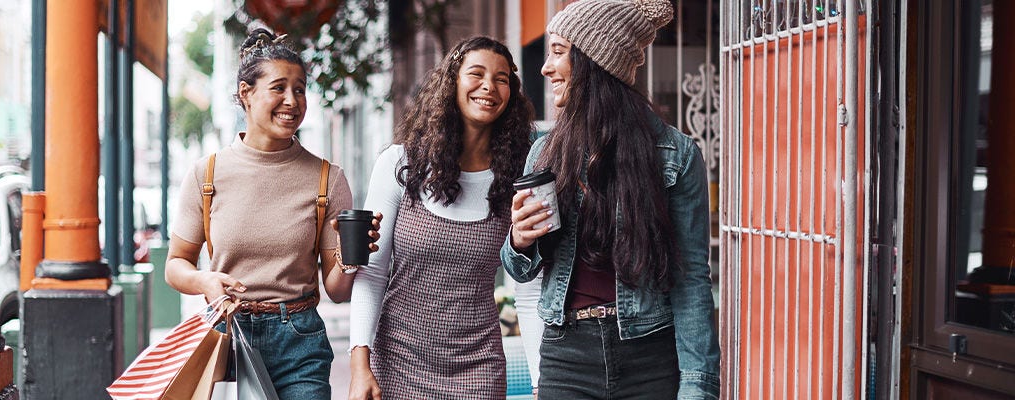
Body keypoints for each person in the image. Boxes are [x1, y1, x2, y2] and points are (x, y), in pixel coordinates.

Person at [502, 0, 721, 399]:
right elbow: (519, 271)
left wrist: (697, 386)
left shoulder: (675, 155)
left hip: (650, 357)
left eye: (557, 52)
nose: (545, 68)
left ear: (594, 61)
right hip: (567, 357)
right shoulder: (544, 154)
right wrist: (520, 240)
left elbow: (690, 281)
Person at [166, 28, 380, 399]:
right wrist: (205, 282)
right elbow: (175, 265)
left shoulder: (327, 178)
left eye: (300, 89)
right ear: (246, 94)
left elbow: (337, 291)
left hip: (300, 343)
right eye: (279, 87)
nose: (292, 101)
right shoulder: (207, 174)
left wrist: (351, 257)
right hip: (228, 338)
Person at [347, 36, 536, 400]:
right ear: (452, 82)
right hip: (399, 362)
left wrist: (539, 382)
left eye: (502, 79)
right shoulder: (401, 164)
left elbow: (527, 292)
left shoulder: (518, 178)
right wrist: (360, 366)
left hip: (478, 369)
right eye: (476, 74)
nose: (489, 87)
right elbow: (371, 272)